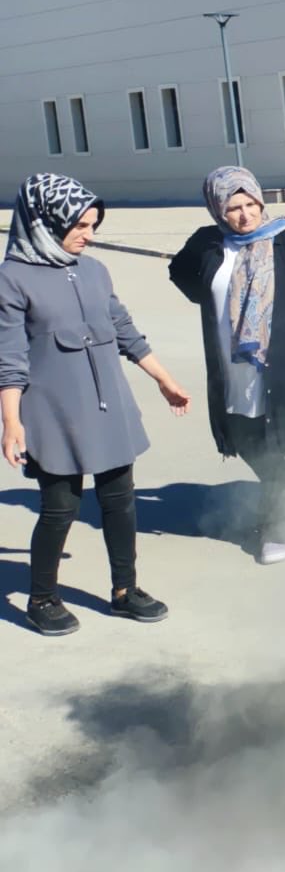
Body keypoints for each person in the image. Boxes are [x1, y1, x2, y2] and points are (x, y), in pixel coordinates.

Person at [0, 173, 191, 635]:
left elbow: (125, 330)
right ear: (46, 222)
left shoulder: (94, 270)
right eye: (80, 226)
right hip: (54, 413)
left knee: (120, 501)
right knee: (59, 507)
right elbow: (9, 359)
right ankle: (42, 598)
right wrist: (11, 422)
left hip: (109, 405)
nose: (88, 235)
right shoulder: (12, 279)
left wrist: (164, 380)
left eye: (93, 226)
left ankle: (125, 591)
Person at [168, 167, 285, 566]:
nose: (245, 215)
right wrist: (216, 305)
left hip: (284, 367)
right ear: (217, 209)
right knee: (247, 442)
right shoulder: (208, 243)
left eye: (251, 204)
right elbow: (179, 273)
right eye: (233, 208)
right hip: (231, 369)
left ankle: (278, 527)